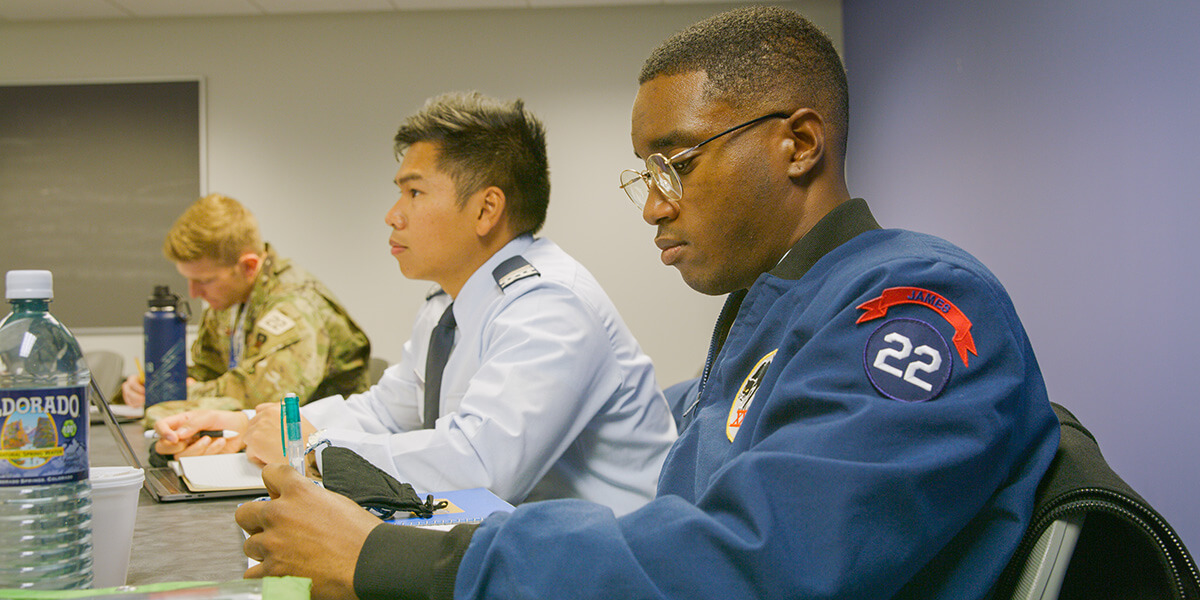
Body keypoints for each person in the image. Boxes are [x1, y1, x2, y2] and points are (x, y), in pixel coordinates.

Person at [235, 7, 1061, 600]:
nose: (653, 205)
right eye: (646, 173)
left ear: (799, 144)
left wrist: (395, 558)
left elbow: (750, 561)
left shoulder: (917, 305)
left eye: (677, 163)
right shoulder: (783, 306)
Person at [157, 92, 676, 514]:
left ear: (486, 209)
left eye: (414, 193)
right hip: (514, 541)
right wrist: (253, 426)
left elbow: (482, 464)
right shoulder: (447, 308)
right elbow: (385, 412)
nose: (392, 215)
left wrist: (311, 452)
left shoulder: (550, 305)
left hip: (604, 567)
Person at [119, 194, 371, 423]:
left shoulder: (295, 306)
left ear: (249, 266)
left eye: (205, 280)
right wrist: (152, 385)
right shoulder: (230, 298)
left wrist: (169, 395)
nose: (194, 293)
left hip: (322, 453)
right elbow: (209, 371)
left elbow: (259, 399)